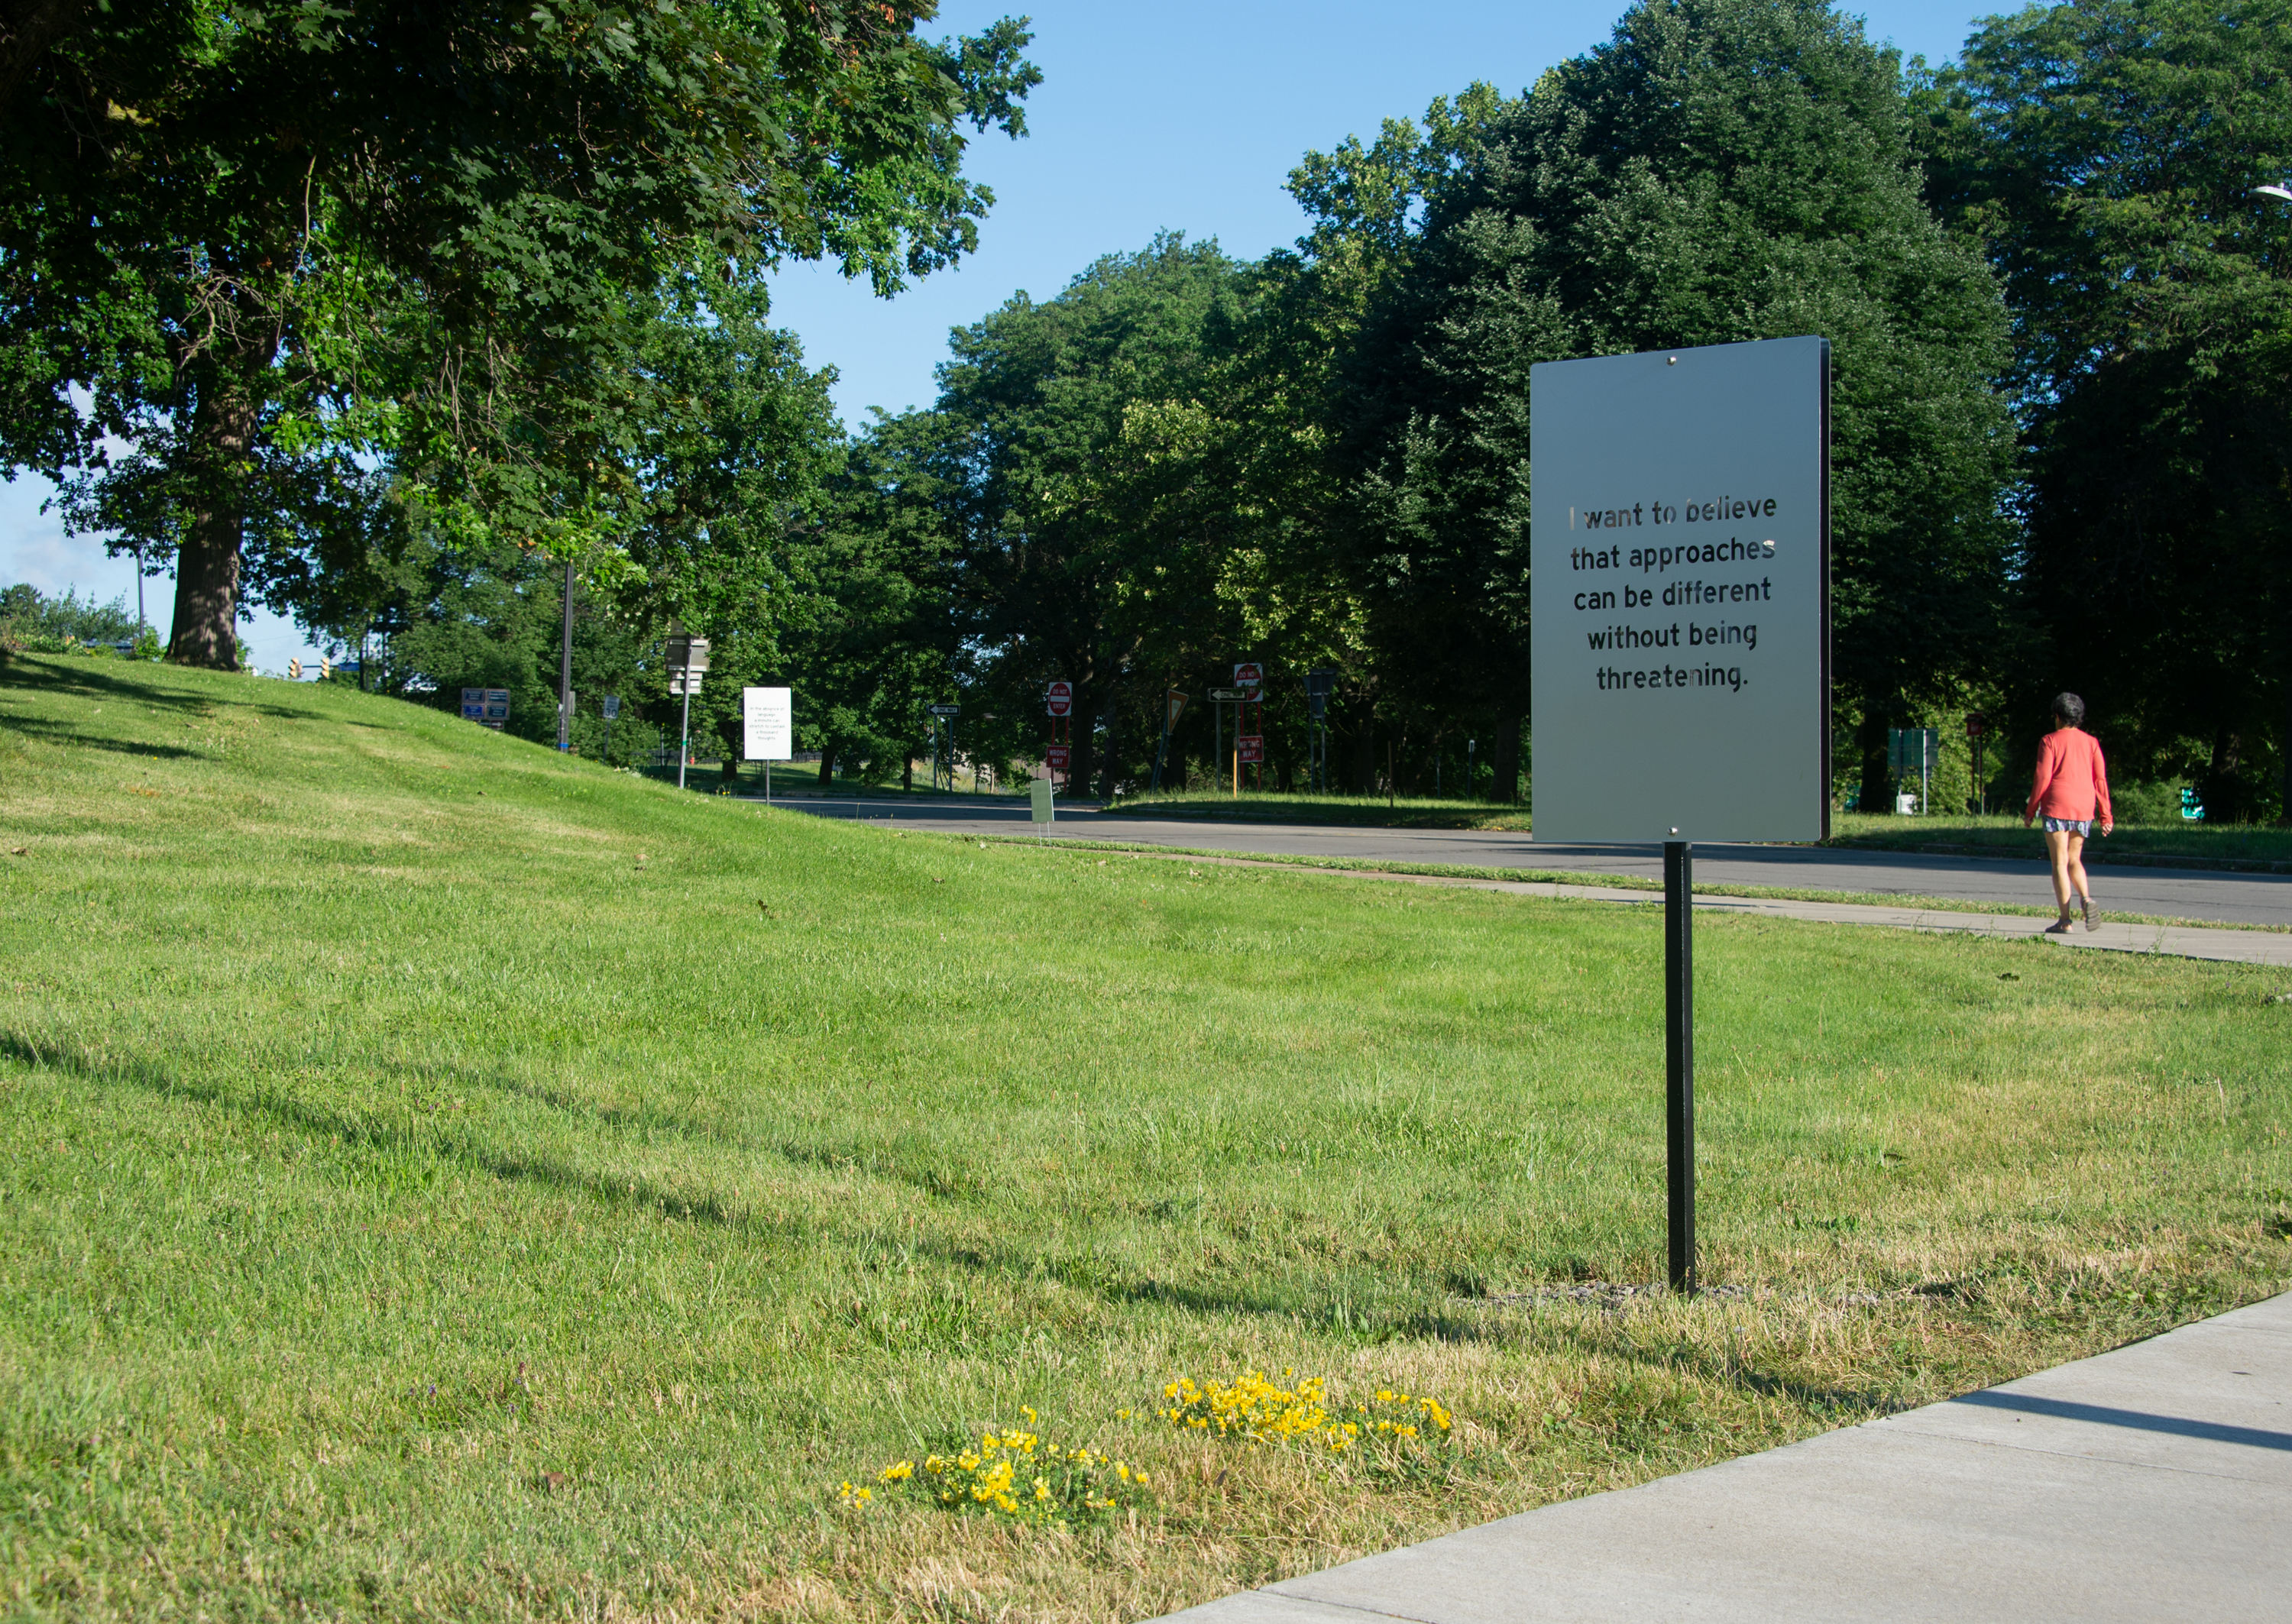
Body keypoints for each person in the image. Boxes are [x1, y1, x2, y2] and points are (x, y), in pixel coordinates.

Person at [2022, 692, 2112, 931]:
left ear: (2058, 717)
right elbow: (2100, 779)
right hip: (2084, 807)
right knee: (2075, 859)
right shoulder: (2092, 742)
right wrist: (2106, 815)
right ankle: (2086, 898)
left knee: (2059, 863)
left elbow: (2042, 777)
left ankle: (2065, 921)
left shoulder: (2049, 740)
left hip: (2056, 806)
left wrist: (2031, 810)